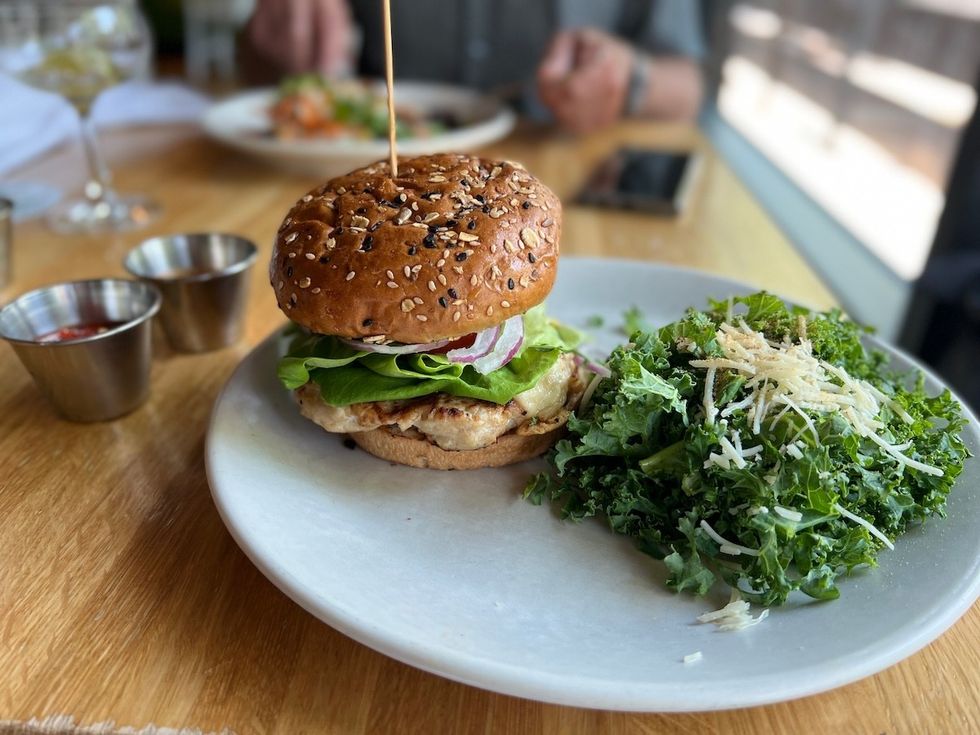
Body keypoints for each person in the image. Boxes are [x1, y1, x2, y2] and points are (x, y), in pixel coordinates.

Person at [244, 0, 705, 132]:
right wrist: (281, 34)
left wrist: (632, 79)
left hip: (567, 165)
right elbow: (254, 74)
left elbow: (688, 87)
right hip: (376, 174)